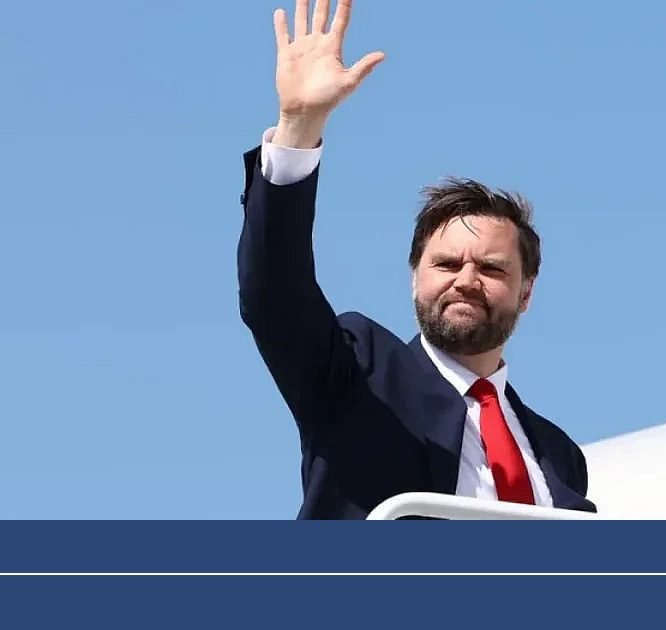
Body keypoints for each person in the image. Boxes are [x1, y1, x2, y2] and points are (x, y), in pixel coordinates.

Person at [237, 0, 594, 519]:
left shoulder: (560, 455)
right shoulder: (358, 373)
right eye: (447, 264)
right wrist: (299, 126)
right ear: (414, 277)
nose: (466, 280)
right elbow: (274, 292)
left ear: (527, 292)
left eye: (492, 268)